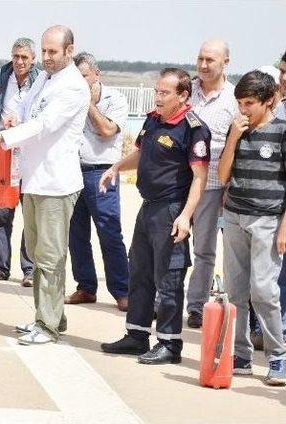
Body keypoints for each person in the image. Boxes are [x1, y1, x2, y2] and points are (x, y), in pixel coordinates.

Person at [0, 25, 90, 345]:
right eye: (43, 51)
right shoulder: (44, 77)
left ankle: (48, 325)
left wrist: (4, 137)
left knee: (50, 257)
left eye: (52, 52)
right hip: (33, 180)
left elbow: (45, 125)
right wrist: (13, 119)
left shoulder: (72, 86)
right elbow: (28, 110)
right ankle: (50, 314)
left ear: (69, 51)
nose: (45, 57)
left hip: (55, 184)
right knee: (37, 249)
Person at [100, 68, 210, 364]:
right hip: (148, 207)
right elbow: (139, 154)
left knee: (170, 278)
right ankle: (137, 335)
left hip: (172, 209)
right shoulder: (152, 119)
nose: (158, 97)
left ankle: (170, 344)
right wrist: (115, 168)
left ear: (183, 95)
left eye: (165, 93)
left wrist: (186, 216)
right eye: (156, 91)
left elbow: (200, 178)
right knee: (140, 272)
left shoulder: (193, 128)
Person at [218, 70, 286, 385]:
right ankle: (241, 356)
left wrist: (284, 228)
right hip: (233, 217)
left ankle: (277, 358)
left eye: (249, 103)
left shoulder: (282, 131)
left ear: (268, 100)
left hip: (268, 221)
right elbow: (222, 175)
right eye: (240, 103)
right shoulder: (239, 131)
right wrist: (233, 137)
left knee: (264, 291)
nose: (243, 110)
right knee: (235, 291)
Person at [64, 51, 129, 311]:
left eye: (84, 77)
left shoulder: (116, 99)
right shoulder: (69, 98)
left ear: (96, 74)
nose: (80, 83)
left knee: (110, 233)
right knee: (76, 235)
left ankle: (122, 291)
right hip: (72, 172)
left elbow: (106, 131)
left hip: (102, 173)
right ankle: (85, 287)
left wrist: (87, 103)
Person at [0, 37, 38, 287]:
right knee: (2, 210)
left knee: (30, 212)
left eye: (24, 57)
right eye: (15, 56)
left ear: (33, 58)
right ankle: (0, 266)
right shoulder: (1, 75)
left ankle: (30, 268)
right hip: (3, 150)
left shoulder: (42, 80)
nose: (19, 62)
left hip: (30, 151)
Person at [184, 40, 238, 328]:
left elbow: (236, 145)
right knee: (168, 245)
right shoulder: (185, 91)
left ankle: (195, 306)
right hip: (178, 184)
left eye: (210, 60)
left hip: (212, 185)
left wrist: (229, 187)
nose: (203, 65)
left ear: (225, 63)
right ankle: (161, 301)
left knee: (203, 250)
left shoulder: (234, 99)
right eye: (200, 58)